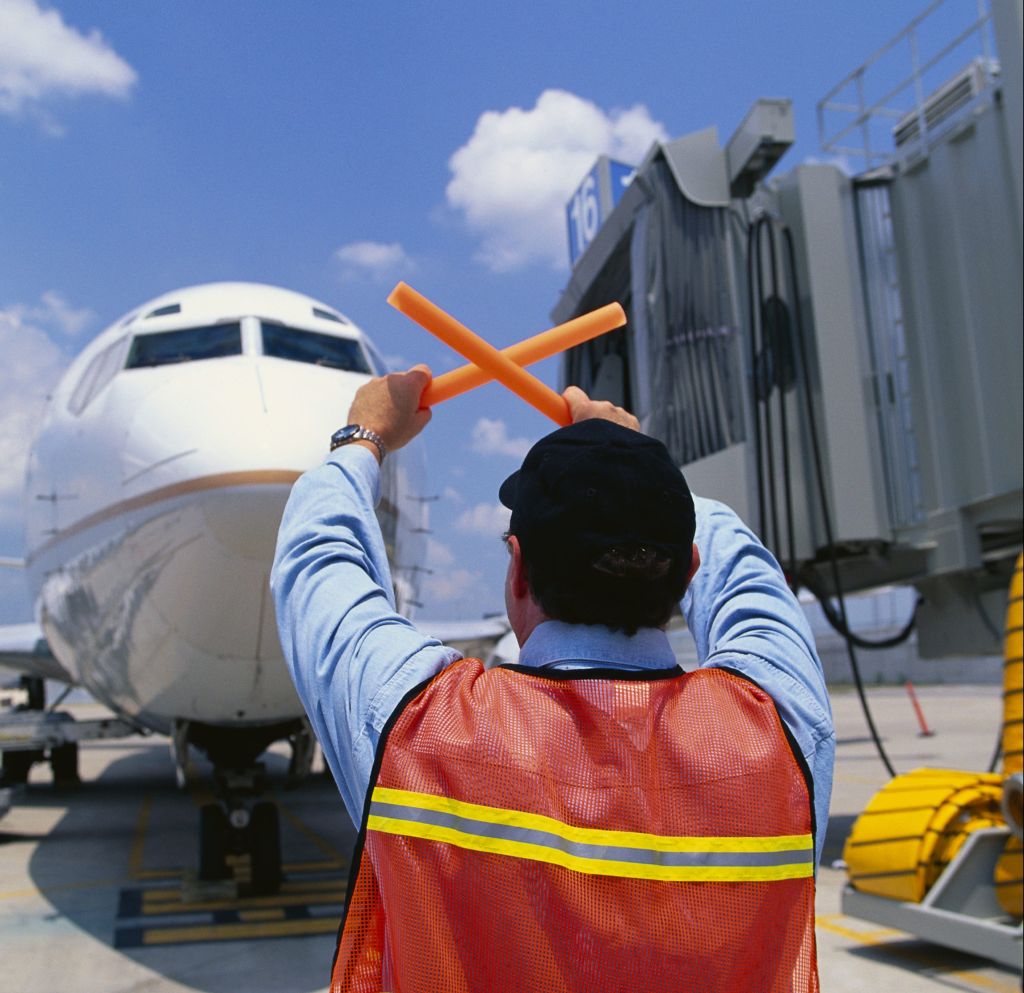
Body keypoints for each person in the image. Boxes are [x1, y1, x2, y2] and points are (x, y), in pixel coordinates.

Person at [271, 366, 834, 993]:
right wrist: (636, 461)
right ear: (687, 571)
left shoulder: (420, 729)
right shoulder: (778, 734)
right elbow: (752, 587)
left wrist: (362, 437)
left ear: (517, 572)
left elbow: (318, 564)